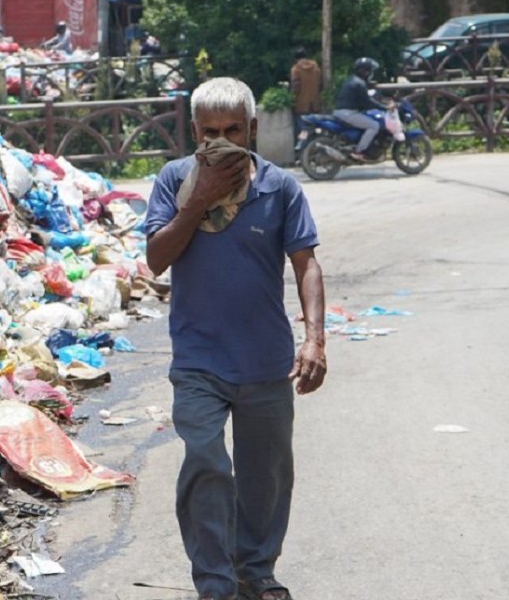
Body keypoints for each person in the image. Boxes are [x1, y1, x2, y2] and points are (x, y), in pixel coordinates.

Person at [144, 77, 327, 600]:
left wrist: (314, 340)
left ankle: (255, 570)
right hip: (198, 360)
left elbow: (306, 263)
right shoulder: (174, 180)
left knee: (265, 476)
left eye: (230, 130)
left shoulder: (280, 188)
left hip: (264, 361)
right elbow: (157, 259)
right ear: (193, 132)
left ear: (250, 129)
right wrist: (198, 200)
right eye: (208, 132)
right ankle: (216, 583)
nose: (219, 141)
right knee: (206, 463)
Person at [333, 57, 389, 162]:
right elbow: (367, 102)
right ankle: (359, 151)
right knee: (374, 125)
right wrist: (384, 107)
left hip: (341, 112)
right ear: (364, 71)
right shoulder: (359, 84)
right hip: (348, 113)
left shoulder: (352, 79)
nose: (370, 73)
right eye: (369, 70)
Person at [289, 47, 321, 139]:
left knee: (303, 128)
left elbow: (296, 86)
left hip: (301, 104)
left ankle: (302, 148)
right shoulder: (315, 67)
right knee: (315, 126)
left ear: (296, 58)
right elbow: (320, 83)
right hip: (315, 103)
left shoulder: (296, 69)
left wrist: (292, 99)